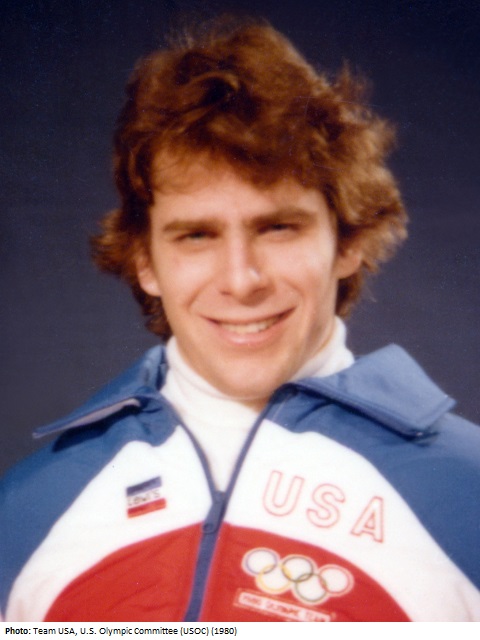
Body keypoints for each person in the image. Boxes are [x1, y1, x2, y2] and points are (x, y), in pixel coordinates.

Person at [1, 17, 479, 623]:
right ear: (146, 262)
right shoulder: (27, 510)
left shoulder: (468, 495)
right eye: (196, 235)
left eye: (277, 227)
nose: (242, 279)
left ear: (348, 241)